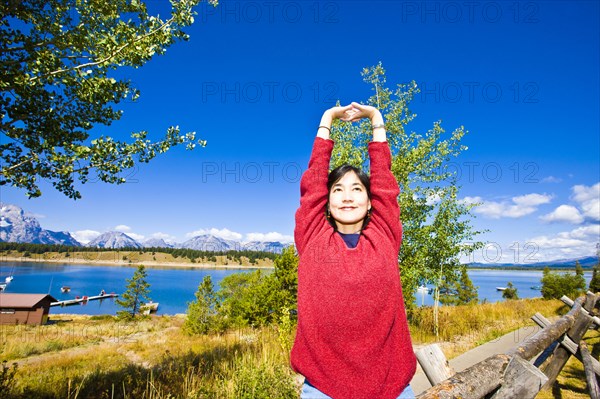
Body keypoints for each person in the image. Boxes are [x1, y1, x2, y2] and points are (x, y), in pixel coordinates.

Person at [291, 103, 417, 399]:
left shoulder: (384, 236)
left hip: (392, 389)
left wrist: (376, 120)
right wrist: (326, 121)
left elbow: (385, 184)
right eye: (338, 189)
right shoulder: (312, 238)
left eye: (357, 189)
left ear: (371, 201)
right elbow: (312, 185)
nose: (347, 196)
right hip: (323, 390)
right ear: (328, 200)